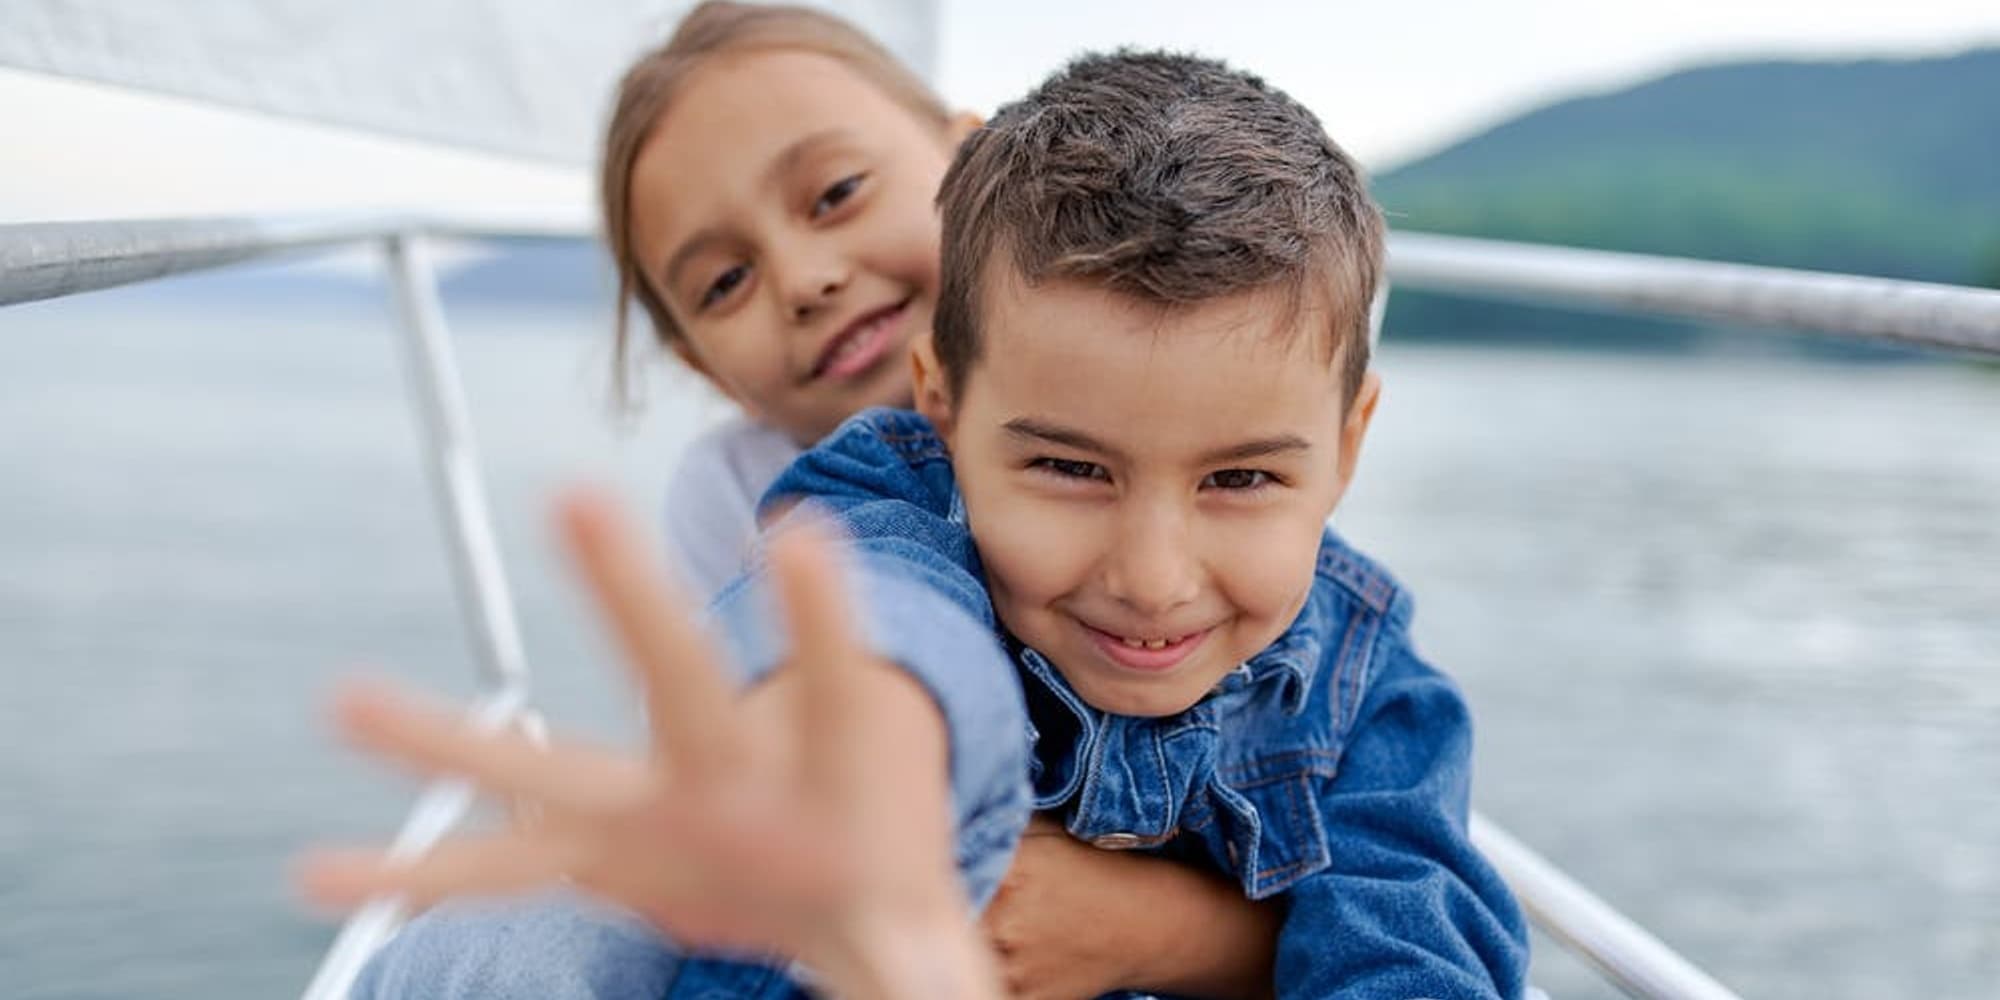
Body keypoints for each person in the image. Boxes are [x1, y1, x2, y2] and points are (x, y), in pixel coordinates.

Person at [308, 46, 1531, 999]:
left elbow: (1407, 927)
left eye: (1240, 481)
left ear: (1345, 447)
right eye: (1066, 466)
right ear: (940, 406)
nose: (1153, 579)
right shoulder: (884, 494)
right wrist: (862, 794)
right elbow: (879, 626)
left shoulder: (1372, 685)